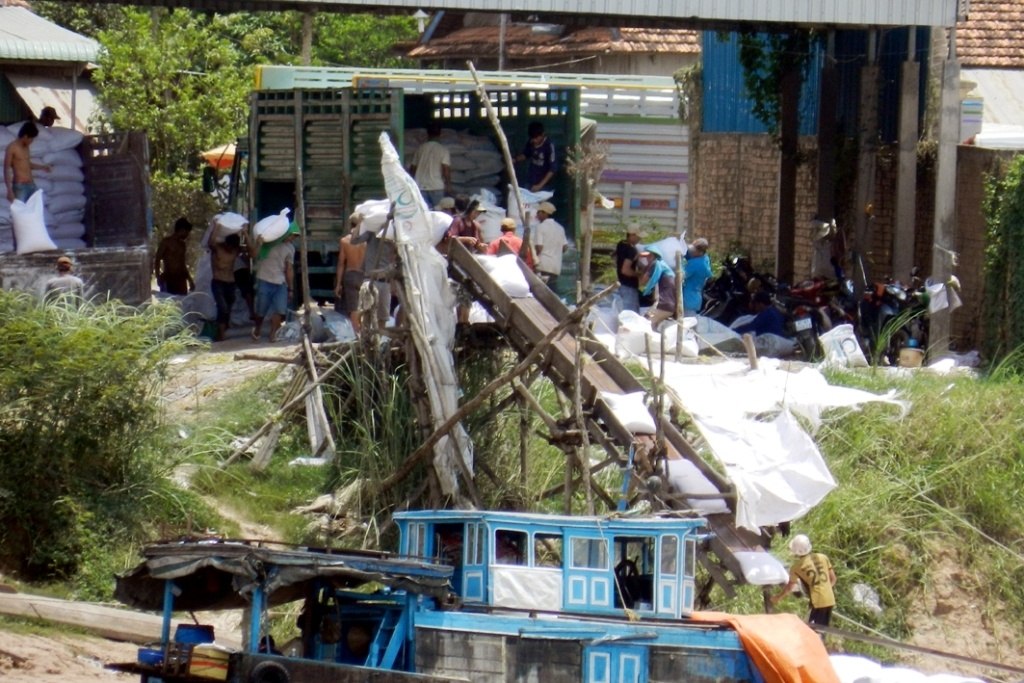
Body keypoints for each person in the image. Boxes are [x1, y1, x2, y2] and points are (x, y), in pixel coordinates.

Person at [770, 534, 837, 627]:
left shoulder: (796, 568)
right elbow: (833, 579)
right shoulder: (823, 557)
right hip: (830, 599)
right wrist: (825, 590)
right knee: (822, 629)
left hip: (817, 601)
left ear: (796, 551)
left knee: (813, 630)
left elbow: (790, 587)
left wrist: (778, 597)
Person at [250, 223, 297, 343]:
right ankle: (258, 329)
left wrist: (291, 289)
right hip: (264, 279)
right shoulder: (268, 243)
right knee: (261, 310)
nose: (292, 238)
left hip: (280, 282)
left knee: (280, 310)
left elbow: (289, 269)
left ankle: (273, 334)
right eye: (291, 235)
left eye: (294, 236)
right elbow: (253, 255)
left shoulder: (290, 248)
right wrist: (259, 244)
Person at [334, 213, 368, 334]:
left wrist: (338, 284)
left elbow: (341, 263)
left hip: (350, 275)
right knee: (366, 305)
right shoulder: (368, 240)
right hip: (365, 275)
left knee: (353, 307)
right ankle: (366, 332)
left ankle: (357, 334)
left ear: (350, 224)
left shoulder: (344, 241)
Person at [4, 121, 51, 203]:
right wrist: (9, 190)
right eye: (31, 139)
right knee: (21, 209)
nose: (32, 141)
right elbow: (6, 169)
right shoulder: (12, 147)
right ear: (25, 136)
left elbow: (26, 164)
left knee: (34, 208)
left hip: (31, 185)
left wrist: (42, 167)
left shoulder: (26, 147)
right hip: (20, 186)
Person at [209, 231, 243, 342]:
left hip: (230, 283)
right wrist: (216, 227)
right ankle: (221, 334)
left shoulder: (236, 251)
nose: (231, 250)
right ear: (226, 244)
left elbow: (250, 250)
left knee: (228, 309)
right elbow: (211, 242)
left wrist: (245, 232)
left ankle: (222, 330)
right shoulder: (218, 249)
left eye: (233, 248)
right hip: (218, 282)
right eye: (230, 247)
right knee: (222, 308)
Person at [410, 122, 452, 208]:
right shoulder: (443, 149)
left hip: (420, 186)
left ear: (427, 134)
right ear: (440, 134)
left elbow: (413, 168)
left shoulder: (420, 148)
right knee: (439, 212)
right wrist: (448, 185)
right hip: (436, 187)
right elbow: (446, 170)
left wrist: (411, 182)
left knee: (424, 212)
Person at [153, 217, 195, 295]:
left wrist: (190, 280)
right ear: (182, 230)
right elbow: (157, 260)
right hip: (168, 278)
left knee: (181, 301)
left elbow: (182, 265)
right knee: (168, 300)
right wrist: (158, 277)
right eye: (187, 232)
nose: (187, 235)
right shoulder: (166, 242)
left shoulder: (182, 245)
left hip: (181, 280)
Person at [639, 245, 677, 326]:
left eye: (649, 256)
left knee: (644, 324)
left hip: (661, 304)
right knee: (653, 327)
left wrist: (641, 269)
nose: (647, 258)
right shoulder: (664, 266)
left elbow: (642, 282)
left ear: (653, 256)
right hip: (670, 305)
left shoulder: (655, 264)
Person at [533, 201, 568, 287]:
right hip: (556, 267)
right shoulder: (560, 228)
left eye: (539, 212)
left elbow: (539, 248)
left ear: (545, 213)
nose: (537, 214)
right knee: (551, 290)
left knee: (540, 291)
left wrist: (533, 258)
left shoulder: (540, 227)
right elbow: (565, 247)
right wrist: (555, 251)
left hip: (543, 266)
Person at [516, 121, 556, 192]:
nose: (534, 141)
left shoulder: (549, 146)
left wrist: (539, 186)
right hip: (531, 181)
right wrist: (515, 160)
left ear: (543, 135)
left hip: (544, 185)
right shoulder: (531, 142)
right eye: (532, 139)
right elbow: (526, 154)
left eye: (536, 138)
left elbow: (552, 169)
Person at [615, 224, 645, 312]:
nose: (640, 239)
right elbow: (625, 270)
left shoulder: (621, 244)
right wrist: (638, 274)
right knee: (631, 315)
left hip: (622, 284)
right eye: (638, 236)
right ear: (632, 235)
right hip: (629, 287)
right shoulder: (632, 250)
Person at [683, 237, 713, 317]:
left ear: (700, 252)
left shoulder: (696, 263)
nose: (691, 252)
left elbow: (681, 275)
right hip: (696, 297)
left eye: (694, 251)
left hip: (689, 297)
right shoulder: (704, 259)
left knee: (687, 321)